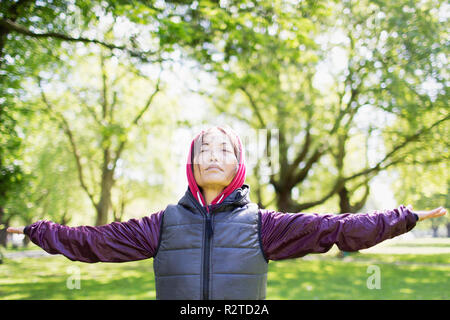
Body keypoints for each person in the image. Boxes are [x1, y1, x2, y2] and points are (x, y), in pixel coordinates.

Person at [7, 126, 447, 300]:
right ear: (191, 164)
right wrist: (35, 230)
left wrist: (405, 217)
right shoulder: (159, 225)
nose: (213, 155)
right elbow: (93, 242)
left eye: (224, 150)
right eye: (204, 149)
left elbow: (337, 229)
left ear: (238, 165)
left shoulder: (266, 227)